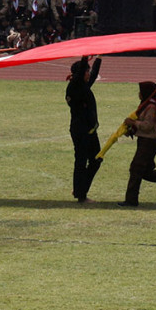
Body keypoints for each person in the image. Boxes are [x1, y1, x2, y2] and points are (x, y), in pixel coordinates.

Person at [65, 55, 102, 203]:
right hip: (81, 131)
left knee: (96, 159)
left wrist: (99, 58)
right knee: (81, 161)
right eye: (87, 71)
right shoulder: (75, 86)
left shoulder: (82, 86)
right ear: (81, 72)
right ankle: (81, 194)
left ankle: (80, 188)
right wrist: (85, 57)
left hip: (90, 130)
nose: (89, 74)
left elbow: (91, 77)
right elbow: (82, 74)